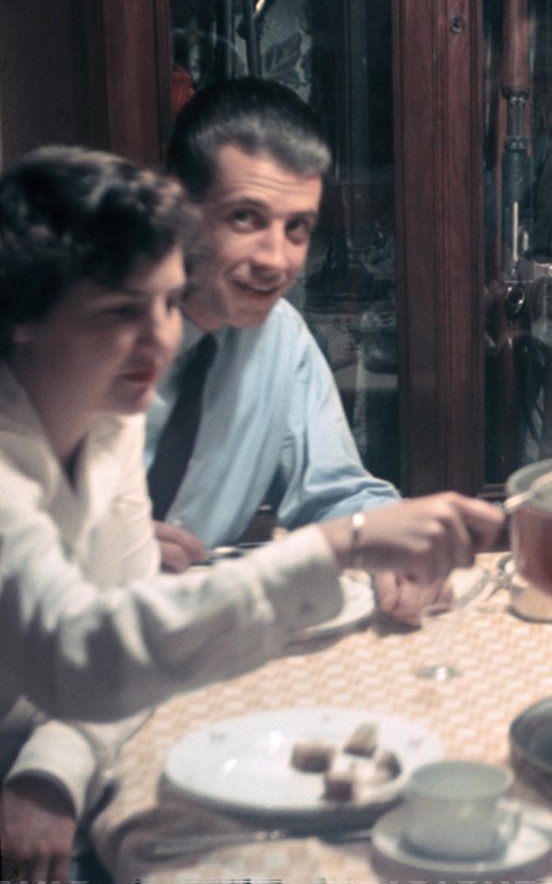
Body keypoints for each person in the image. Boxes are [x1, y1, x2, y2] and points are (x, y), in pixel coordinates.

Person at [0, 147, 500, 882]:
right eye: (119, 312)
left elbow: (132, 630)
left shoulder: (108, 420)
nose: (160, 340)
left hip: (84, 759)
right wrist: (337, 547)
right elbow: (83, 652)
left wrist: (56, 765)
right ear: (23, 317)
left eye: (168, 304)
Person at [149, 77, 431, 621]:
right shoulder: (82, 330)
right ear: (178, 205)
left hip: (199, 647)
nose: (276, 260)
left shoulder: (283, 339)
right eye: (246, 218)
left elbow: (337, 494)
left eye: (297, 228)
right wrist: (93, 554)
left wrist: (392, 549)